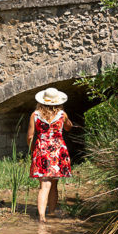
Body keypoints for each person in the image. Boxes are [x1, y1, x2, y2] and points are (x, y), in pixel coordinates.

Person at [27, 86, 73, 222]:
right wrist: (67, 121)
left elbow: (30, 137)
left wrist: (32, 151)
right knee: (54, 184)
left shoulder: (34, 115)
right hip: (58, 150)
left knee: (44, 185)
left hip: (42, 149)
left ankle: (42, 216)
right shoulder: (62, 115)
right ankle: (51, 212)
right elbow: (68, 127)